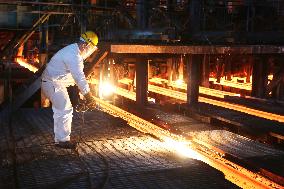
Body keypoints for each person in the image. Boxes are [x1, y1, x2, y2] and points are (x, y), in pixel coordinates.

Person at [41, 31, 98, 149]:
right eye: (90, 49)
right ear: (86, 45)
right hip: (53, 84)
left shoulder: (73, 50)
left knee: (60, 111)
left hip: (54, 83)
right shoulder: (74, 56)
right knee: (65, 109)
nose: (89, 52)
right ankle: (62, 140)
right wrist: (88, 96)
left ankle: (60, 139)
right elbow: (79, 77)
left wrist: (84, 93)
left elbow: (75, 78)